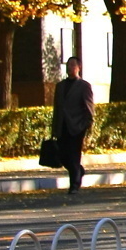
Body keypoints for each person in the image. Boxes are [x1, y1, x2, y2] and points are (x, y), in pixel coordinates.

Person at [51, 56, 95, 192]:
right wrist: (54, 128)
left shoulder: (84, 86)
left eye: (73, 65)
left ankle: (74, 185)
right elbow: (57, 108)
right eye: (68, 65)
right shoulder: (60, 86)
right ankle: (78, 170)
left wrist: (86, 124)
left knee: (74, 155)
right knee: (63, 155)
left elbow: (89, 107)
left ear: (78, 67)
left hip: (77, 126)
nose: (70, 67)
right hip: (62, 126)